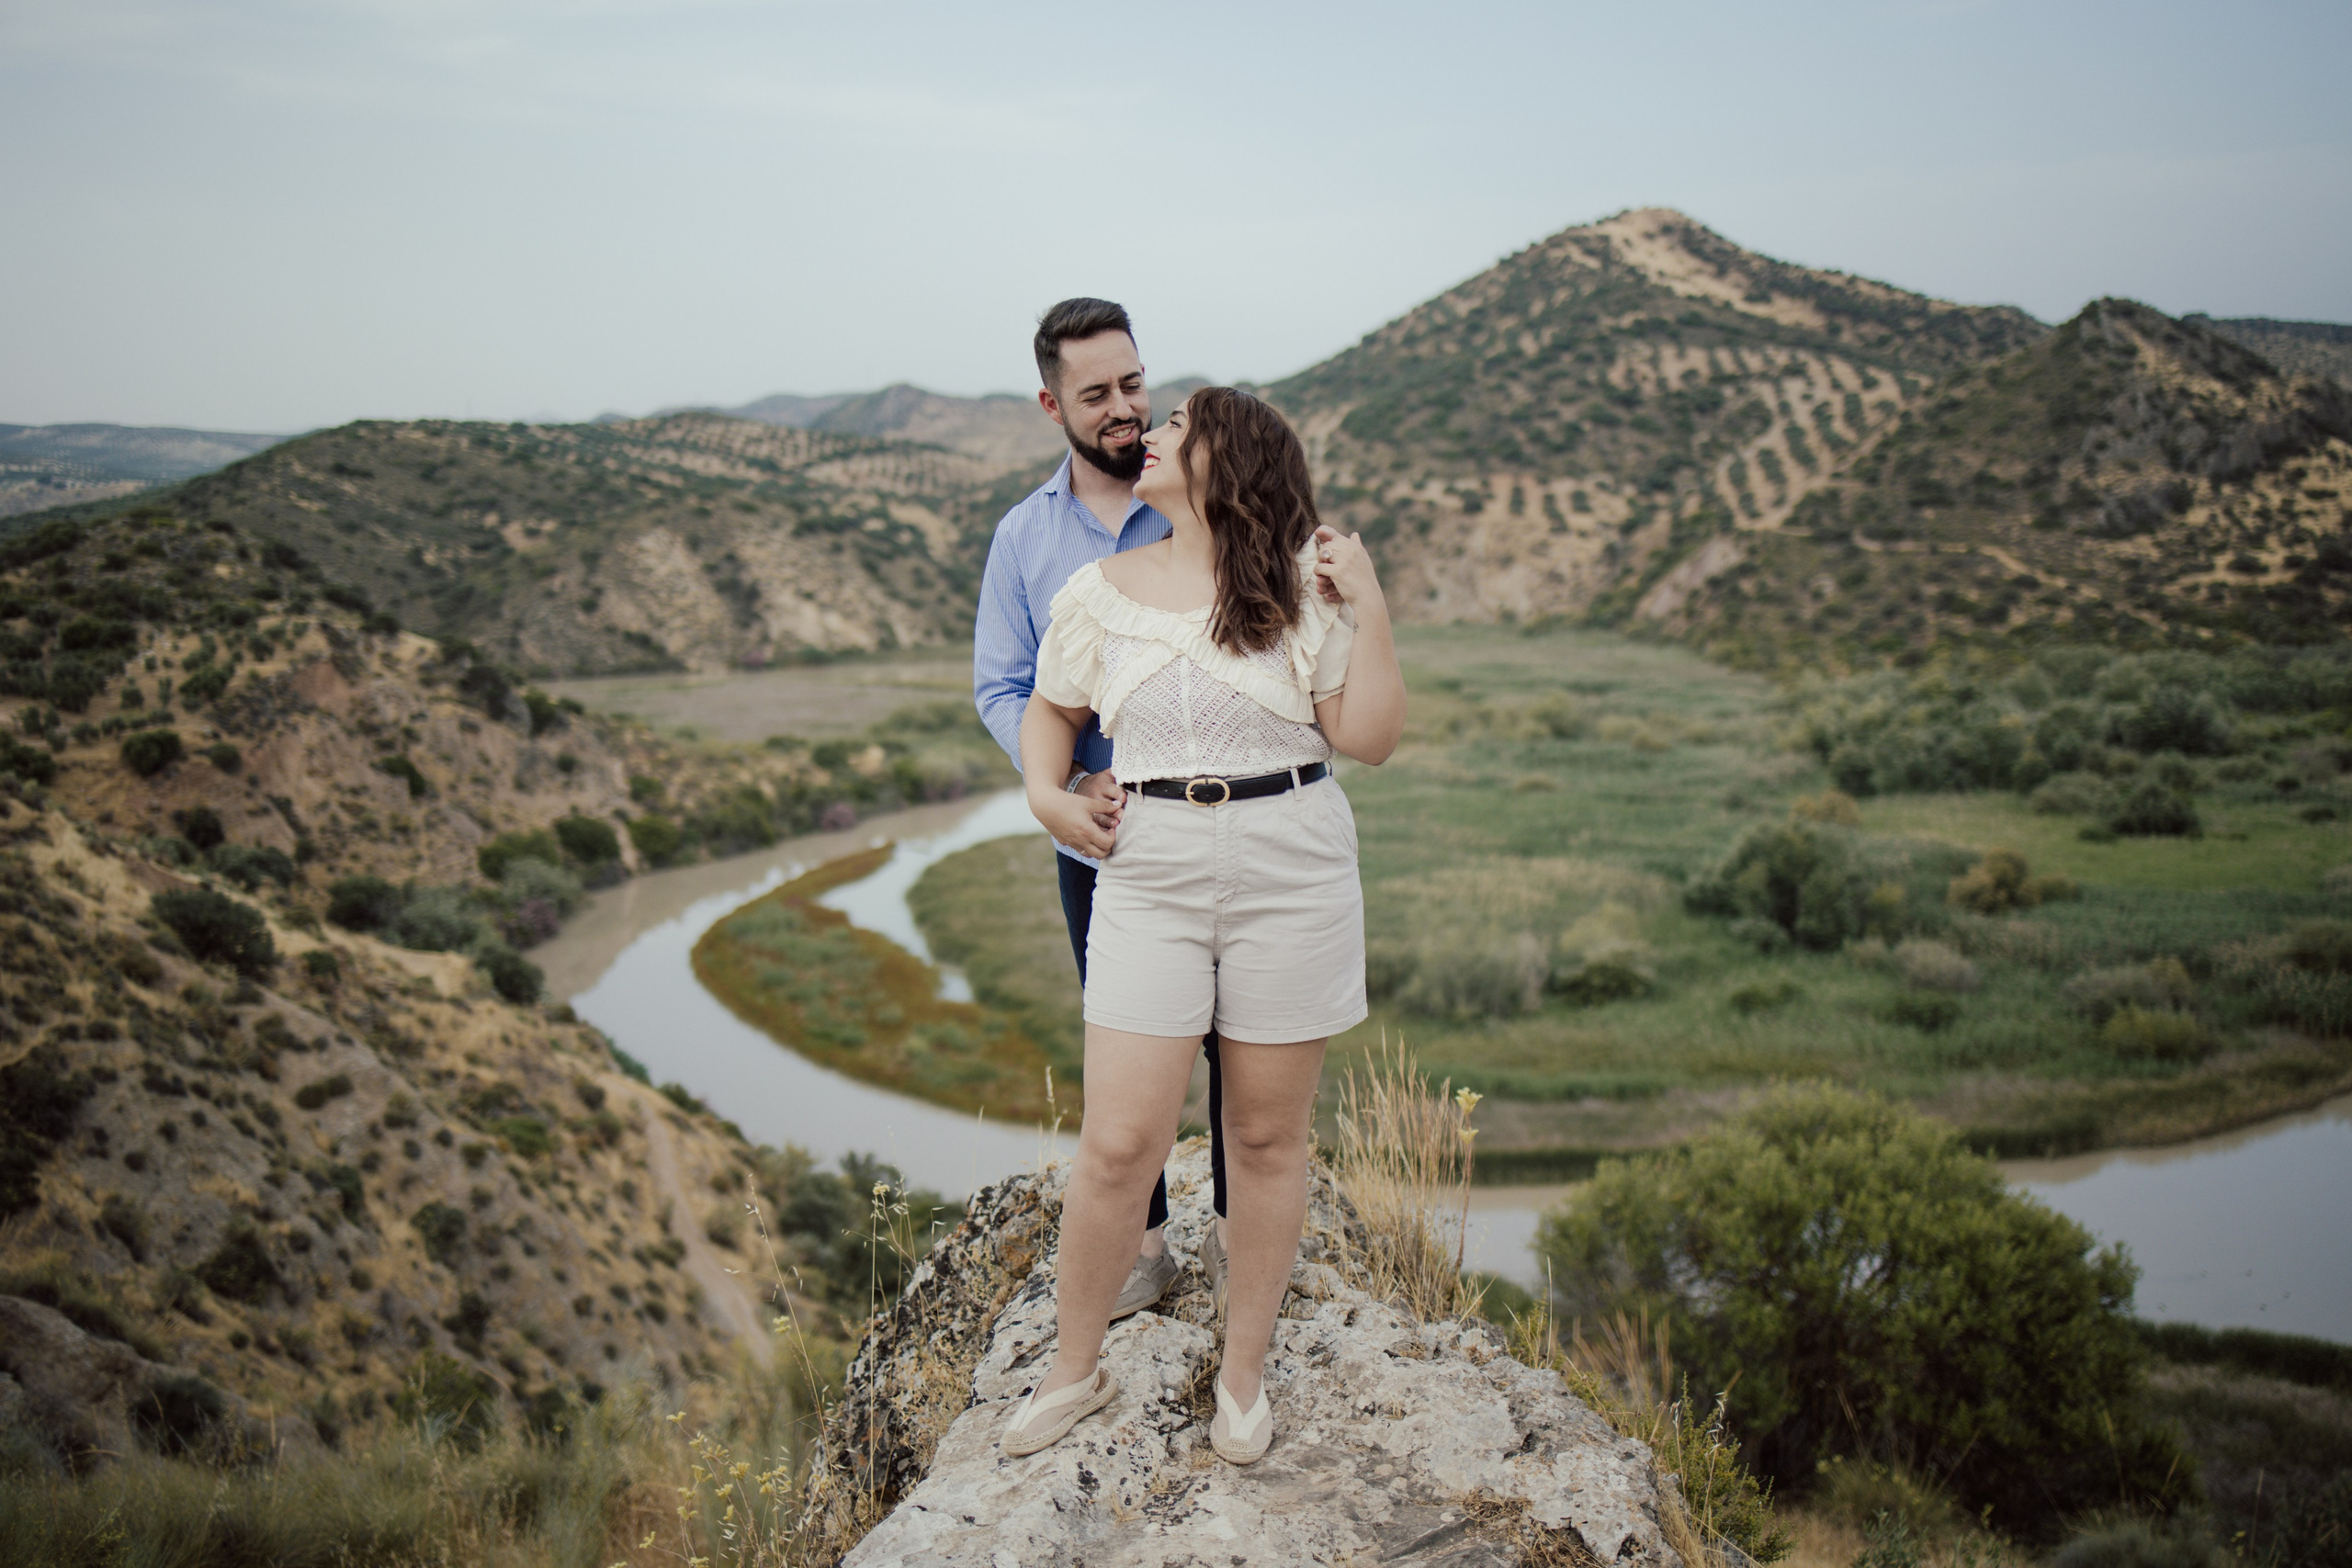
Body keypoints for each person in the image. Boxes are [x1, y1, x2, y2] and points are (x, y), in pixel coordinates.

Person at [997, 387, 1404, 1466]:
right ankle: (1071, 1373)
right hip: (1151, 868)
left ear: (1228, 458)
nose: (1150, 434)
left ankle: (1242, 1380)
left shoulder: (1300, 588)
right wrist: (1049, 797)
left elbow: (1368, 736)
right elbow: (1049, 712)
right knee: (1120, 1141)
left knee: (1263, 1137)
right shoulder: (1096, 591)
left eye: (1174, 425)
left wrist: (1369, 604)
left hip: (1292, 863)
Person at [972, 298, 1229, 1324]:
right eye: (1096, 395)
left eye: (1133, 384)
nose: (1125, 409)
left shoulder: (1199, 499)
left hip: (1227, 831)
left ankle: (1246, 1248)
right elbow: (1003, 688)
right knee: (1130, 1063)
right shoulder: (1025, 537)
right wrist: (1062, 788)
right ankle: (1147, 1248)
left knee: (1242, 1052)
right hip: (1104, 846)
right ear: (1051, 405)